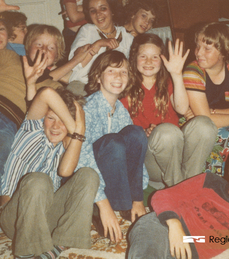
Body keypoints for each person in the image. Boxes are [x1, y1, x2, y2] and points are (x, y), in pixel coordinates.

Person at [0, 0, 86, 257]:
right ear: (26, 46)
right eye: (38, 44)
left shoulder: (55, 90)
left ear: (58, 55)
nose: (44, 49)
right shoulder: (11, 57)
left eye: (51, 47)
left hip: (7, 127)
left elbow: (38, 119)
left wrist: (35, 85)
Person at [0, 67, 99, 258]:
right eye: (51, 118)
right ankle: (28, 252)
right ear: (43, 118)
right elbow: (46, 93)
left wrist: (78, 133)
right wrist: (72, 127)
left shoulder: (64, 143)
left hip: (44, 218)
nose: (55, 126)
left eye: (62, 122)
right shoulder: (32, 130)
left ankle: (63, 242)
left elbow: (66, 171)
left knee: (88, 175)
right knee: (39, 180)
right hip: (15, 217)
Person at [128, 141, 229, 259]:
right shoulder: (209, 181)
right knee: (148, 233)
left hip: (190, 253)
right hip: (165, 226)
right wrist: (174, 225)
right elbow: (163, 196)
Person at [120, 34, 217, 188]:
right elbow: (121, 129)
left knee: (204, 124)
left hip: (177, 153)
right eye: (143, 56)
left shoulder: (168, 82)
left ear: (163, 59)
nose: (148, 62)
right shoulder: (125, 86)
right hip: (152, 160)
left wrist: (176, 74)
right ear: (134, 58)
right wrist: (142, 132)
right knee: (166, 133)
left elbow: (182, 108)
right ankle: (180, 189)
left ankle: (190, 186)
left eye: (155, 57)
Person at [74, 50, 148, 244]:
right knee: (113, 142)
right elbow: (80, 156)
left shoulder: (121, 110)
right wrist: (103, 204)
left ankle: (125, 203)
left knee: (136, 133)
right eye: (111, 71)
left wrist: (138, 198)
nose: (118, 76)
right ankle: (99, 209)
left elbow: (137, 152)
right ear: (98, 77)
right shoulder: (88, 107)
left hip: (114, 180)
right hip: (85, 179)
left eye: (123, 72)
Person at [183, 22, 229, 176]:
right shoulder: (193, 71)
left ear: (224, 51)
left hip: (219, 118)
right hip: (195, 125)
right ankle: (208, 178)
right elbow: (205, 120)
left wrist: (215, 113)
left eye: (207, 49)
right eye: (198, 46)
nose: (198, 53)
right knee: (220, 134)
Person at [66, 0, 134, 94]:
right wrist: (98, 44)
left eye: (103, 8)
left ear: (112, 10)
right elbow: (75, 64)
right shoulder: (87, 30)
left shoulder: (127, 37)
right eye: (93, 11)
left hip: (115, 87)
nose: (98, 14)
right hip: (84, 85)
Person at [59, 0, 87, 65]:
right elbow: (74, 18)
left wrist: (80, 9)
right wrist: (89, 11)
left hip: (90, 32)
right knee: (72, 63)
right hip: (73, 35)